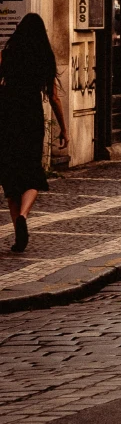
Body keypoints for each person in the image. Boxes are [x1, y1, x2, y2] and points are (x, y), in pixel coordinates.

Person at [0, 13, 68, 254]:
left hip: (7, 115)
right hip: (31, 115)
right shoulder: (44, 57)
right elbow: (54, 98)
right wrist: (63, 128)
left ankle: (17, 234)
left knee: (10, 174)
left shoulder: (8, 54)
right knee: (31, 171)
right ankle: (23, 216)